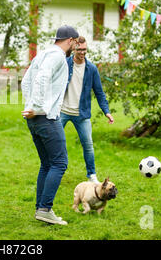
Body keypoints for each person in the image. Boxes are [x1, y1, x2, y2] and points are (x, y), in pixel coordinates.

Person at [21, 25, 79, 226]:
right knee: (59, 163)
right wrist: (36, 107)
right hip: (46, 117)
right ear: (70, 40)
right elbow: (42, 78)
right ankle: (45, 208)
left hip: (34, 117)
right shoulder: (57, 56)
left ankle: (41, 209)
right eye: (76, 43)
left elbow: (26, 82)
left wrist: (30, 107)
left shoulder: (42, 54)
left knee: (47, 164)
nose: (75, 47)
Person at [60, 36, 114, 184]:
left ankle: (91, 174)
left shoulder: (91, 69)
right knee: (55, 142)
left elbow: (99, 92)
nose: (82, 52)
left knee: (88, 145)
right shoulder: (65, 64)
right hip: (62, 111)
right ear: (74, 49)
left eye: (84, 49)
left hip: (81, 114)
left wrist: (106, 111)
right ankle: (54, 170)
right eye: (79, 50)